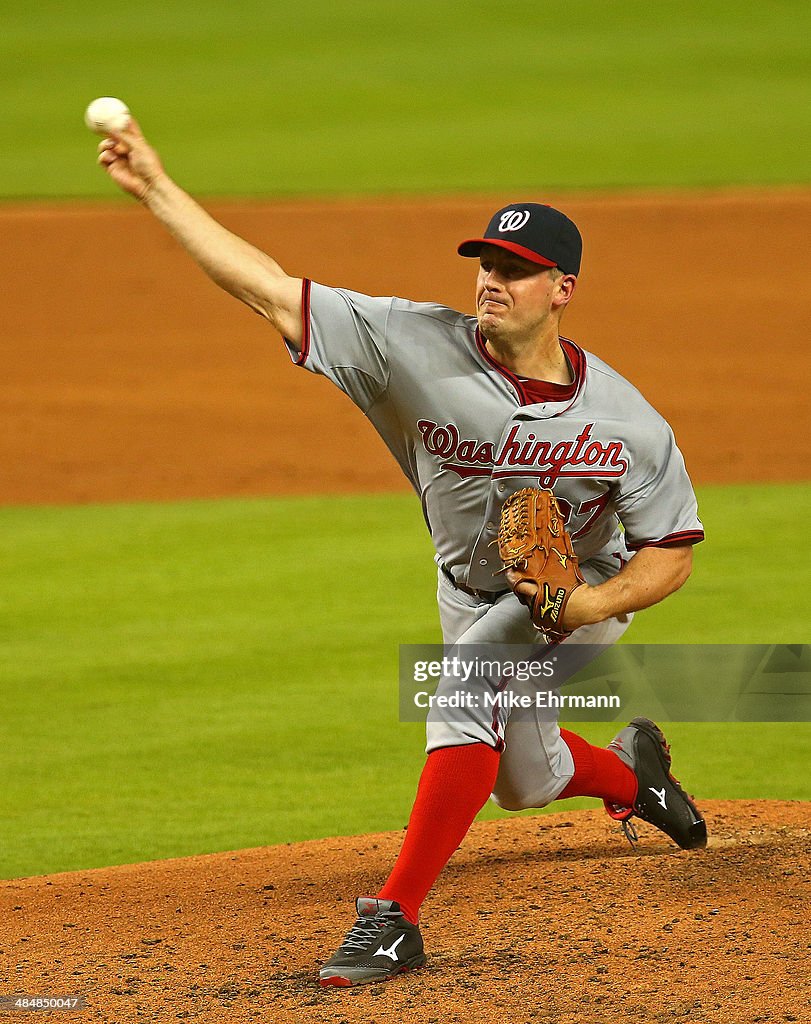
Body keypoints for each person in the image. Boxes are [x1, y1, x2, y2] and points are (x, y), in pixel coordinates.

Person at [97, 120, 707, 988]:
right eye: (486, 265)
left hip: (582, 593)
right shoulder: (405, 342)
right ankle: (634, 775)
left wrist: (584, 608)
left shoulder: (629, 424)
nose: (492, 282)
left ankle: (394, 921)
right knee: (524, 782)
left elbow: (671, 551)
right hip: (470, 588)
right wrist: (154, 185)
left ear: (562, 287)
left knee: (462, 691)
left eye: (516, 271)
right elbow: (267, 289)